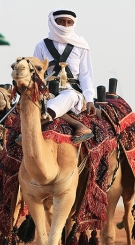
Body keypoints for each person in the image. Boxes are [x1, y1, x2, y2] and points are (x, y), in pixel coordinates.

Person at [33, 8, 96, 145]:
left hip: (72, 91)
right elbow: (36, 75)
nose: (65, 25)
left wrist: (90, 99)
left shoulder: (81, 46)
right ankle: (78, 125)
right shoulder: (42, 46)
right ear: (53, 22)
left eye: (69, 22)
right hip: (47, 92)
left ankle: (36, 123)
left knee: (69, 97)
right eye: (61, 22)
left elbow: (86, 76)